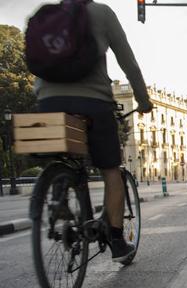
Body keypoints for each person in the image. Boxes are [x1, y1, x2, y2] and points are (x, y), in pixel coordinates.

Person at [33, 0, 153, 262]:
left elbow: (36, 61)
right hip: (93, 102)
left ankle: (59, 188)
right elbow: (128, 62)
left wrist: (44, 98)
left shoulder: (47, 15)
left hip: (48, 102)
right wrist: (143, 101)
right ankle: (117, 241)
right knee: (111, 171)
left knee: (62, 152)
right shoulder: (102, 13)